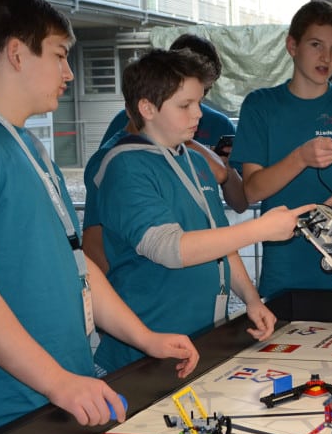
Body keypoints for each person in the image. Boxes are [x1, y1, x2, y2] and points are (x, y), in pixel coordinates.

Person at [0, 0, 199, 434]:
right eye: (60, 55)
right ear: (17, 54)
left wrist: (146, 338)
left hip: (58, 392)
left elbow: (75, 263)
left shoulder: (26, 145)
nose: (68, 73)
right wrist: (56, 380)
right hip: (6, 407)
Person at [90, 49, 313, 374]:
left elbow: (221, 243)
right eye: (185, 105)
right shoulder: (124, 167)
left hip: (199, 338)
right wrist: (260, 229)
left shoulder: (195, 161)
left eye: (198, 102)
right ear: (147, 108)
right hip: (145, 348)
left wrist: (252, 300)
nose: (198, 115)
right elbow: (169, 248)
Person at [229, 0, 332, 298]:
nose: (326, 57)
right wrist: (301, 158)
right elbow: (251, 191)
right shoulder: (261, 106)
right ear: (292, 46)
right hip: (285, 269)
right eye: (316, 44)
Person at [84, 35, 247, 273]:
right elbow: (95, 237)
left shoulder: (212, 131)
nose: (197, 113)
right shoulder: (118, 159)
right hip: (148, 297)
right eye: (183, 103)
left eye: (202, 94)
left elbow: (232, 198)